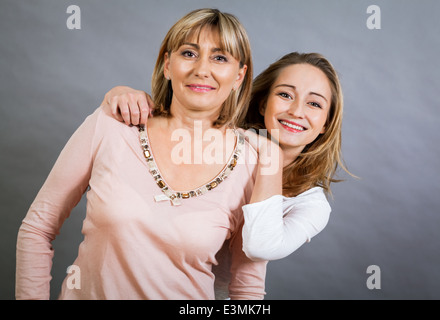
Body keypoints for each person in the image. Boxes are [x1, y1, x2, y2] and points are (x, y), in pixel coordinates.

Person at [16, 8, 267, 300]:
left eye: (220, 58)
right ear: (167, 64)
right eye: (189, 53)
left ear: (239, 75)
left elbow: (246, 288)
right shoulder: (112, 125)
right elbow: (37, 229)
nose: (202, 69)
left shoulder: (251, 166)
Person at [102, 52, 352, 262]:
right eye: (285, 95)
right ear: (263, 104)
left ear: (325, 125)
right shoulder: (217, 138)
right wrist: (120, 92)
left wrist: (269, 156)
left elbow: (259, 248)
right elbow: (164, 124)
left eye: (315, 104)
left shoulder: (311, 205)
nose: (297, 111)